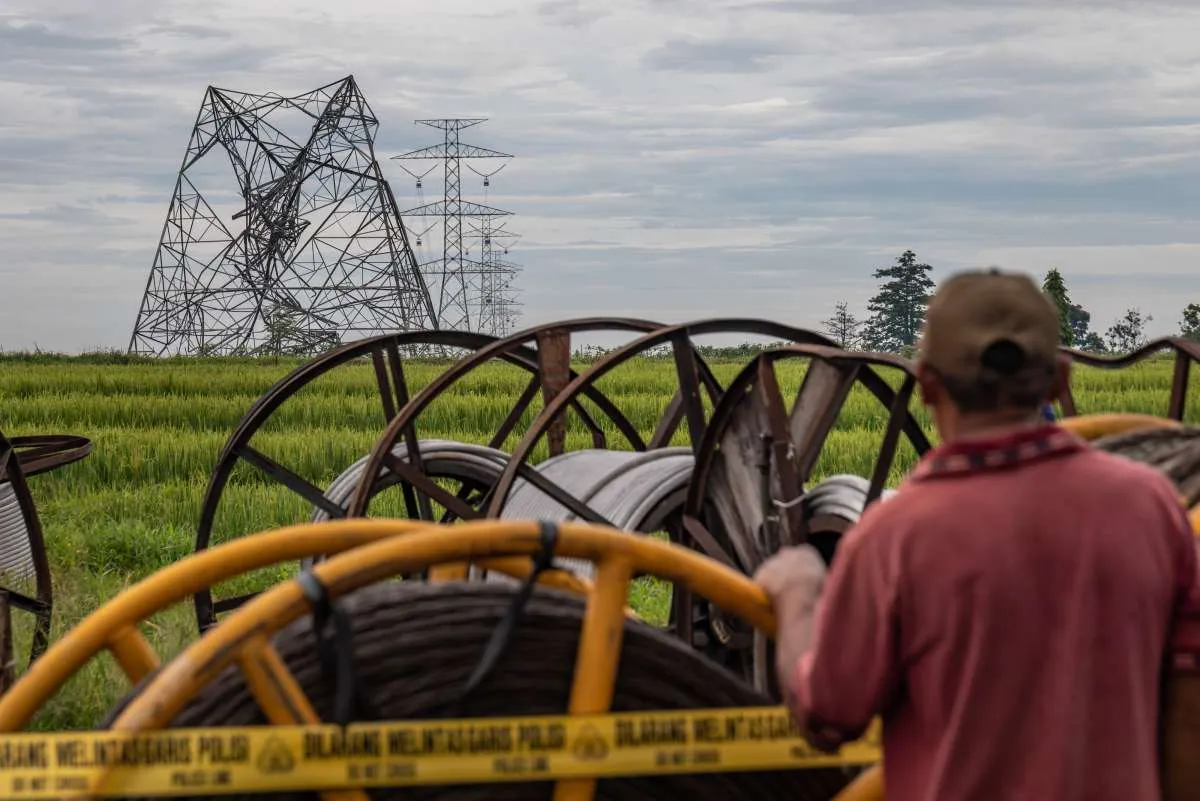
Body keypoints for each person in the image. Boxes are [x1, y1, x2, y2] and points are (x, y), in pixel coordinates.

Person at [754, 268, 1198, 800]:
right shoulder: (1149, 506)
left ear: (925, 385)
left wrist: (798, 593)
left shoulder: (895, 535)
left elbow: (827, 713)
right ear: (1059, 379)